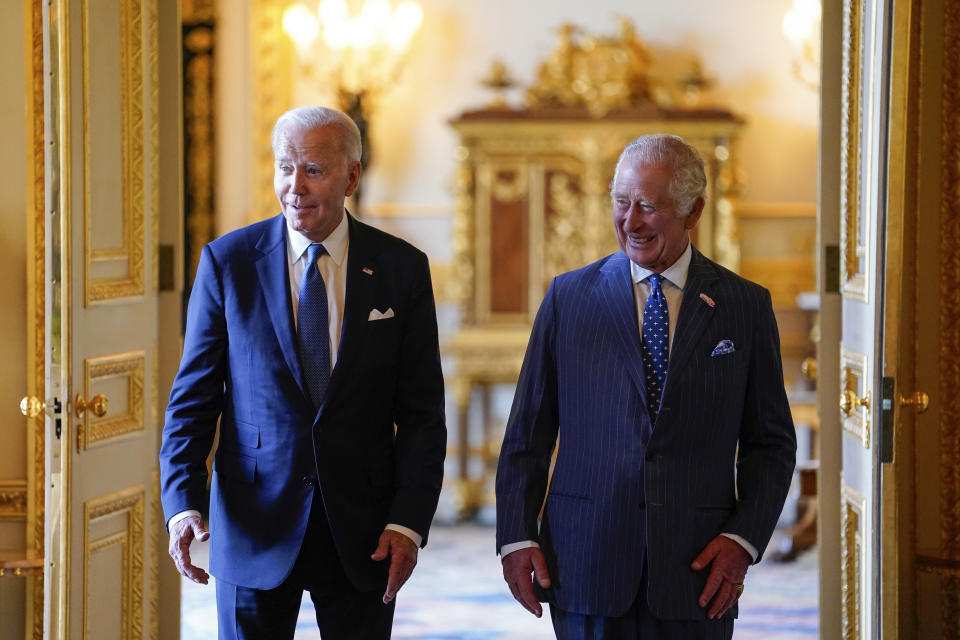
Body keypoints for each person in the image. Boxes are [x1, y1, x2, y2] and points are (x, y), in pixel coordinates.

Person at [159, 105, 446, 640]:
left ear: (351, 176)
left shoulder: (401, 269)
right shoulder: (228, 263)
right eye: (284, 167)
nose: (295, 186)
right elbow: (192, 401)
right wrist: (182, 505)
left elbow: (423, 414)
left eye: (313, 169)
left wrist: (407, 520)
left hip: (363, 528)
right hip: (252, 525)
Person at [495, 134, 796, 639]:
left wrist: (743, 539)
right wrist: (516, 536)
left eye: (648, 207)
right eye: (621, 202)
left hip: (698, 570)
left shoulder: (745, 306)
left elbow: (770, 444)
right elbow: (527, 434)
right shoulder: (568, 297)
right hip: (584, 562)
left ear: (692, 211)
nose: (629, 221)